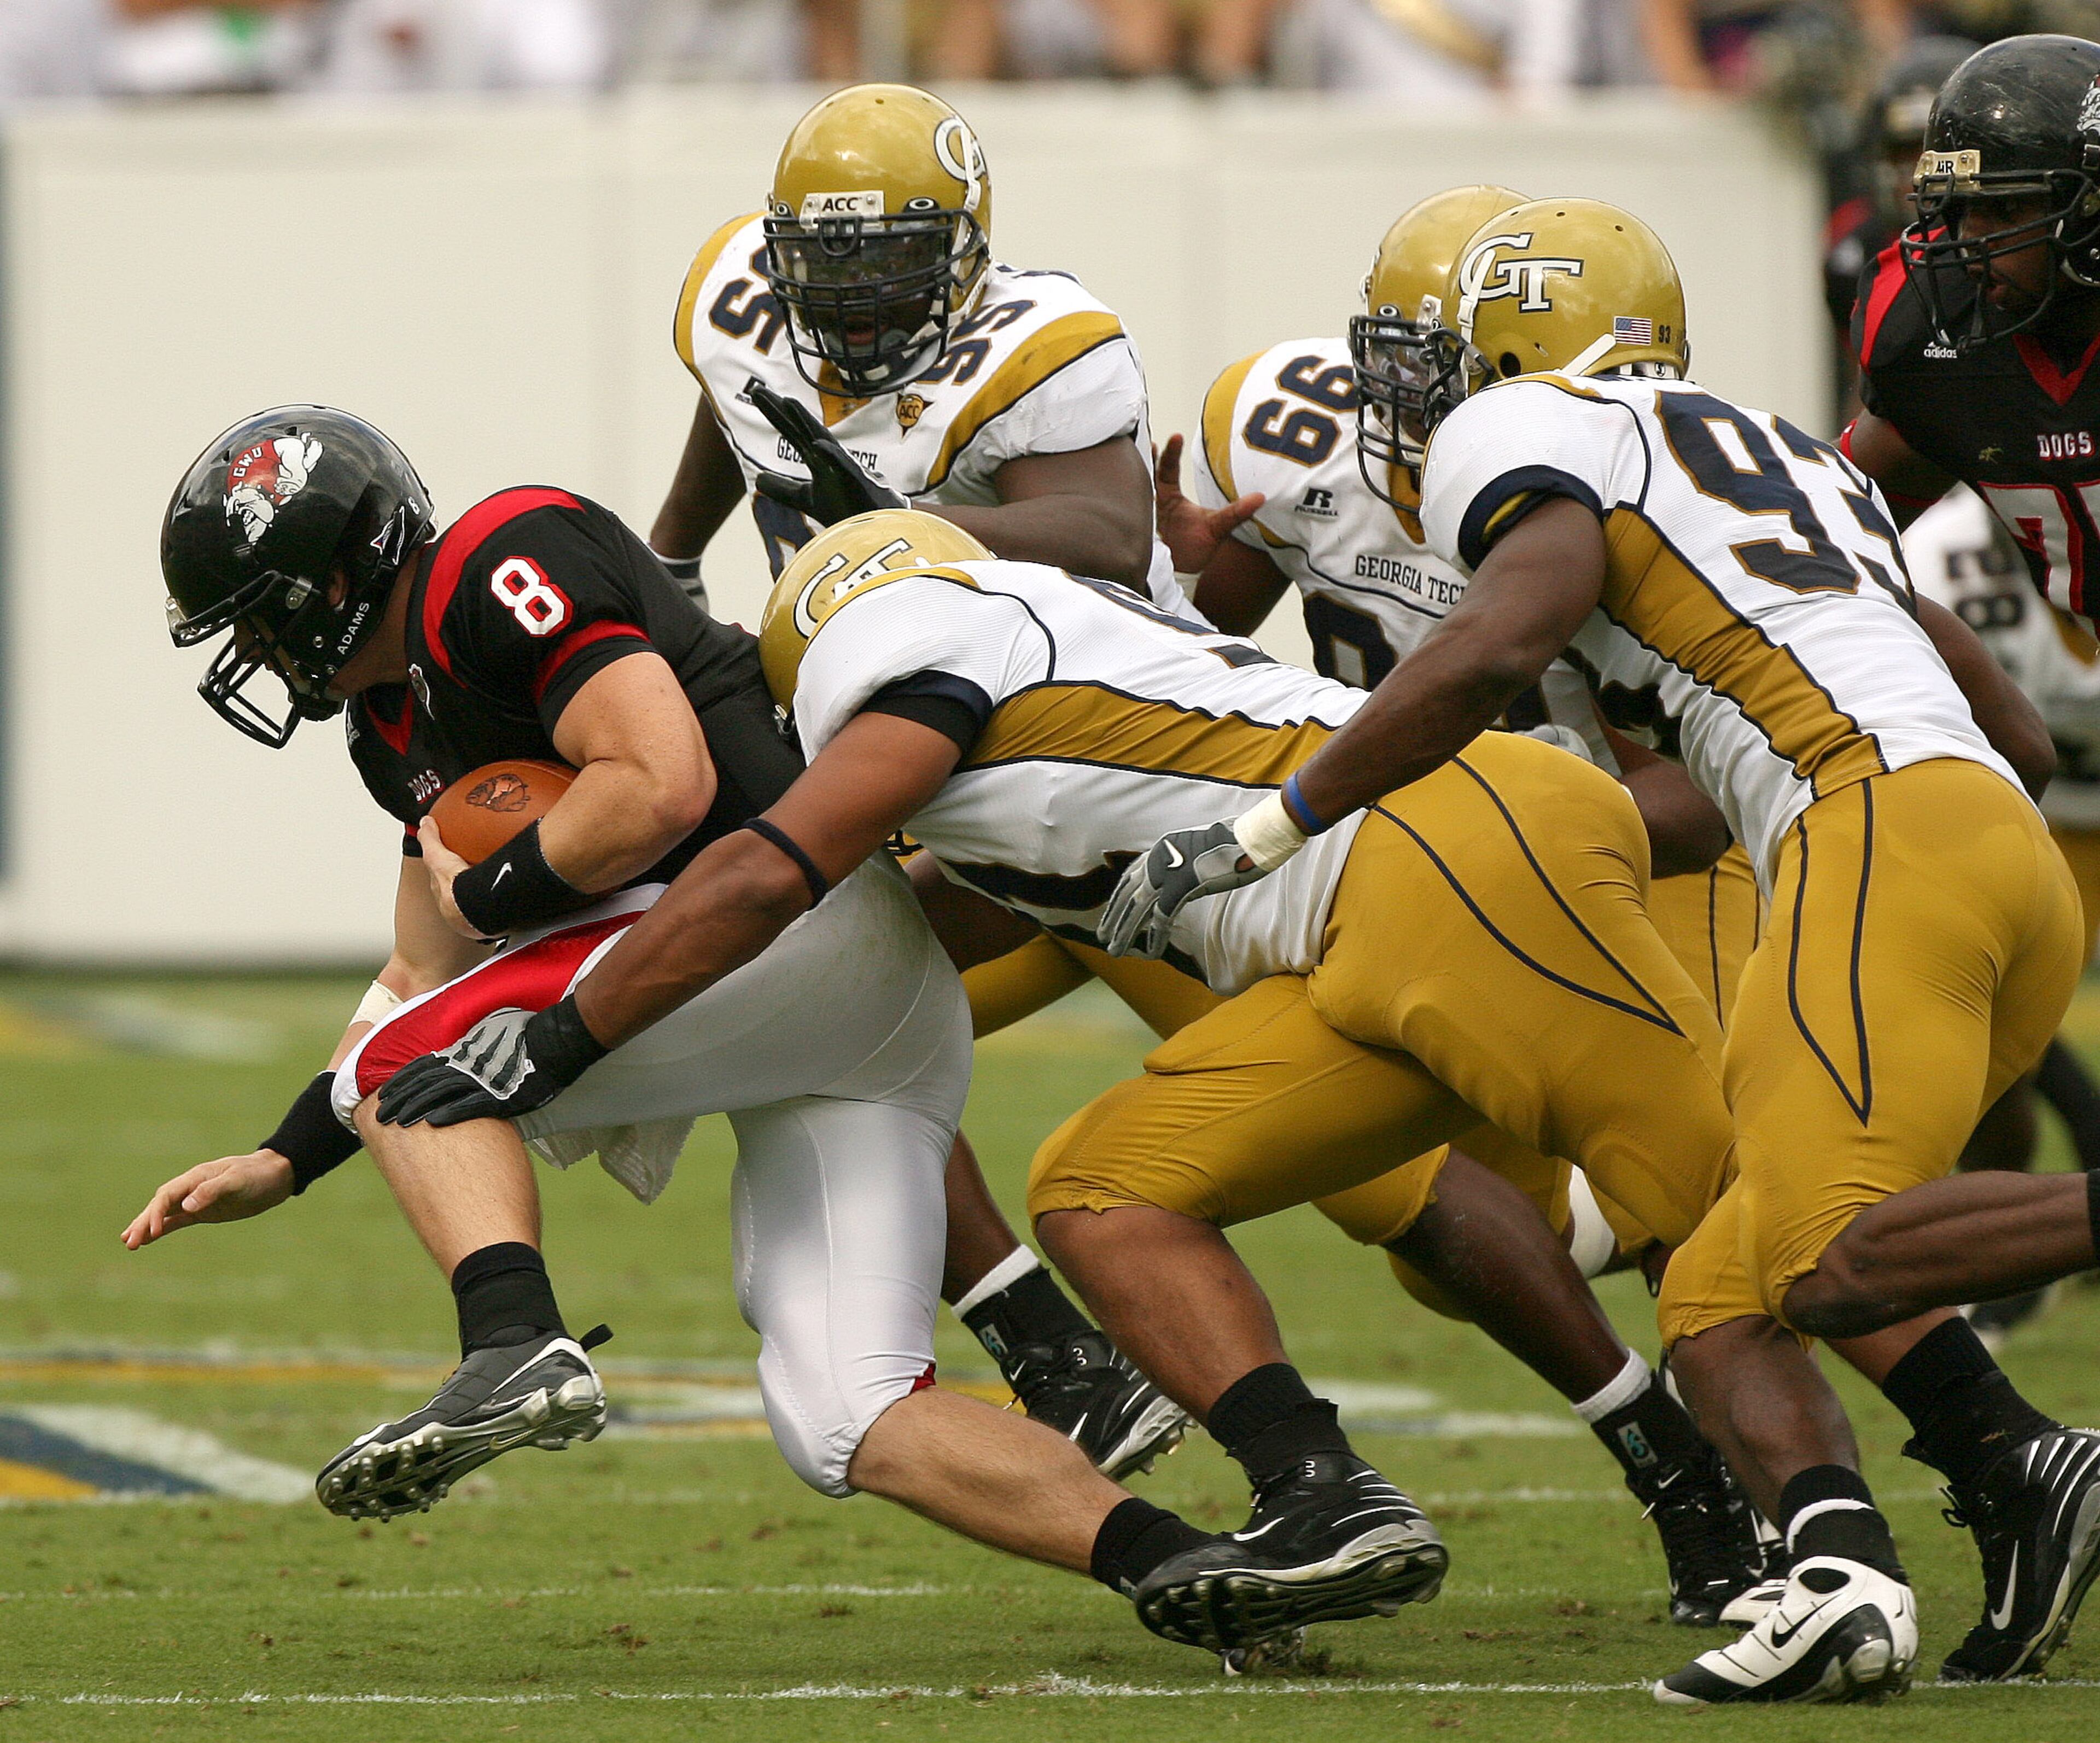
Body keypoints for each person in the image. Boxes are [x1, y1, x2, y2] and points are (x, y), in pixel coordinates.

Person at [366, 503, 1749, 1650]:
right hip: (1316, 930)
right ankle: (1306, 1494)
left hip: (1431, 861)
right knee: (1100, 1192)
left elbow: (774, 873)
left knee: (1756, 1225)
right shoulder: (1026, 671)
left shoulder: (901, 648)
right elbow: (960, 906)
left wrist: (567, 1030)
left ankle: (1847, 1521)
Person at [1099, 194, 2100, 1700]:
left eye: (1429, 364)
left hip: (1865, 831)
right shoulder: (1778, 458)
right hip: (1988, 851)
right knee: (1713, 1277)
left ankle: (2008, 1455)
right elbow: (2013, 734)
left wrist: (1273, 824)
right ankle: (1882, 1553)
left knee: (1829, 1254)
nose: (1403, 402)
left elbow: (1501, 639)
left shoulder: (1531, 434)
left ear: (1516, 351)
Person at [126, 406, 1292, 1659]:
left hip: (801, 925)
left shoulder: (501, 561)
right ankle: (1196, 1570)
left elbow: (660, 783)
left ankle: (513, 1341)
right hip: (851, 1022)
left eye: (262, 611)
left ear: (338, 575)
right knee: (845, 1414)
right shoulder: (389, 730)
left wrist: (497, 890)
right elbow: (422, 966)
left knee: (410, 1067)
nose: (256, 648)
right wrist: (289, 1154)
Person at [1134, 180, 1765, 1627]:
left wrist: (1530, 849)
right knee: (1438, 1224)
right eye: (1390, 361)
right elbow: (1197, 646)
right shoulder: (1294, 434)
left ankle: (1884, 1478)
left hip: (1626, 862)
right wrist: (1161, 580)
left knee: (1709, 1203)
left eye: (1436, 368)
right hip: (1411, 863)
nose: (1398, 401)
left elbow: (1709, 780)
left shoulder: (1634, 500)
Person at [651, 77, 1194, 1477]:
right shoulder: (735, 295)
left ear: (965, 249)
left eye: (886, 269)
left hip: (1105, 776)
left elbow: (1111, 530)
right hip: (920, 764)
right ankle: (1067, 1366)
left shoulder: (1044, 342)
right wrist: (667, 557)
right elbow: (738, 405)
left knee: (1400, 1173)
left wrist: (908, 522)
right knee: (790, 1009)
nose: (850, 305)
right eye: (821, 271)